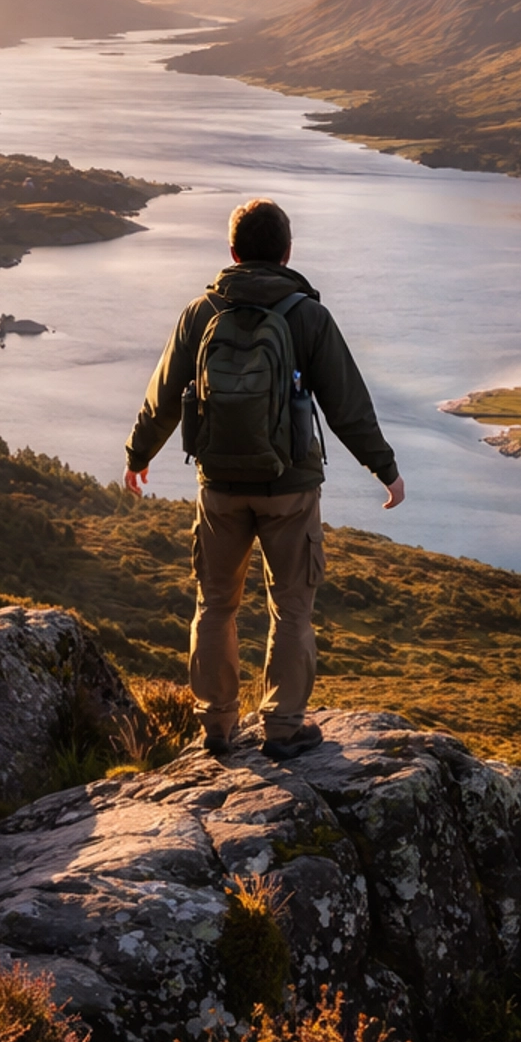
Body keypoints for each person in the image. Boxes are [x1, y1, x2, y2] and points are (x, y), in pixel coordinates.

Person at [124, 196, 403, 761]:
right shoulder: (307, 315)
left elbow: (162, 399)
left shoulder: (200, 313)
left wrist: (137, 455)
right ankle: (282, 727)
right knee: (292, 609)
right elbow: (347, 404)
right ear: (286, 252)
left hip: (219, 487)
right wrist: (385, 469)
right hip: (290, 490)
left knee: (215, 604)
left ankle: (217, 727)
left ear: (232, 251)